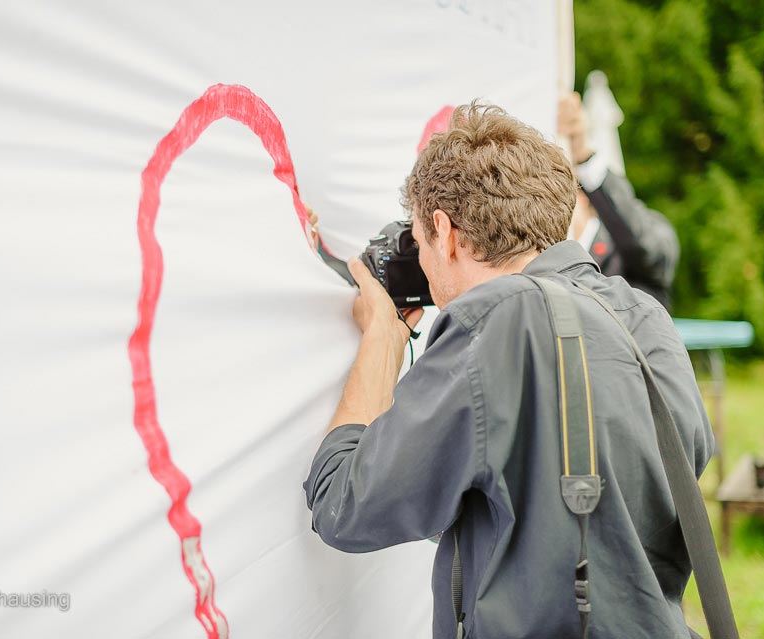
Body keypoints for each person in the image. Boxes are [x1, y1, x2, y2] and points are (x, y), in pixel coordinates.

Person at [303, 103, 713, 638]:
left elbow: (348, 506)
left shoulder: (490, 320)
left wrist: (382, 339)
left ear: (447, 233)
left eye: (421, 243)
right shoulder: (644, 317)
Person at [558, 92, 680, 309]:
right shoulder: (545, 261)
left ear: (583, 195)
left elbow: (642, 243)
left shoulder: (628, 255)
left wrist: (583, 155)